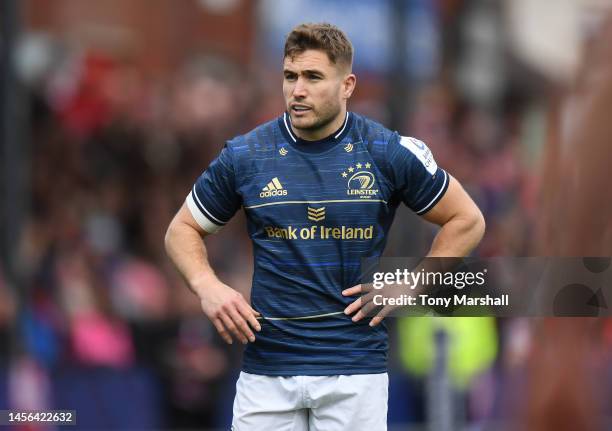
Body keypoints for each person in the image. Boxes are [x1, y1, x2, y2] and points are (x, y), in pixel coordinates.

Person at [165, 22, 485, 431]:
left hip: (354, 375)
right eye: (290, 76)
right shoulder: (246, 155)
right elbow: (181, 230)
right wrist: (207, 287)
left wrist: (414, 283)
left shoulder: (386, 151)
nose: (297, 90)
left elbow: (467, 219)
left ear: (347, 85)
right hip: (267, 373)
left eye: (313, 77)